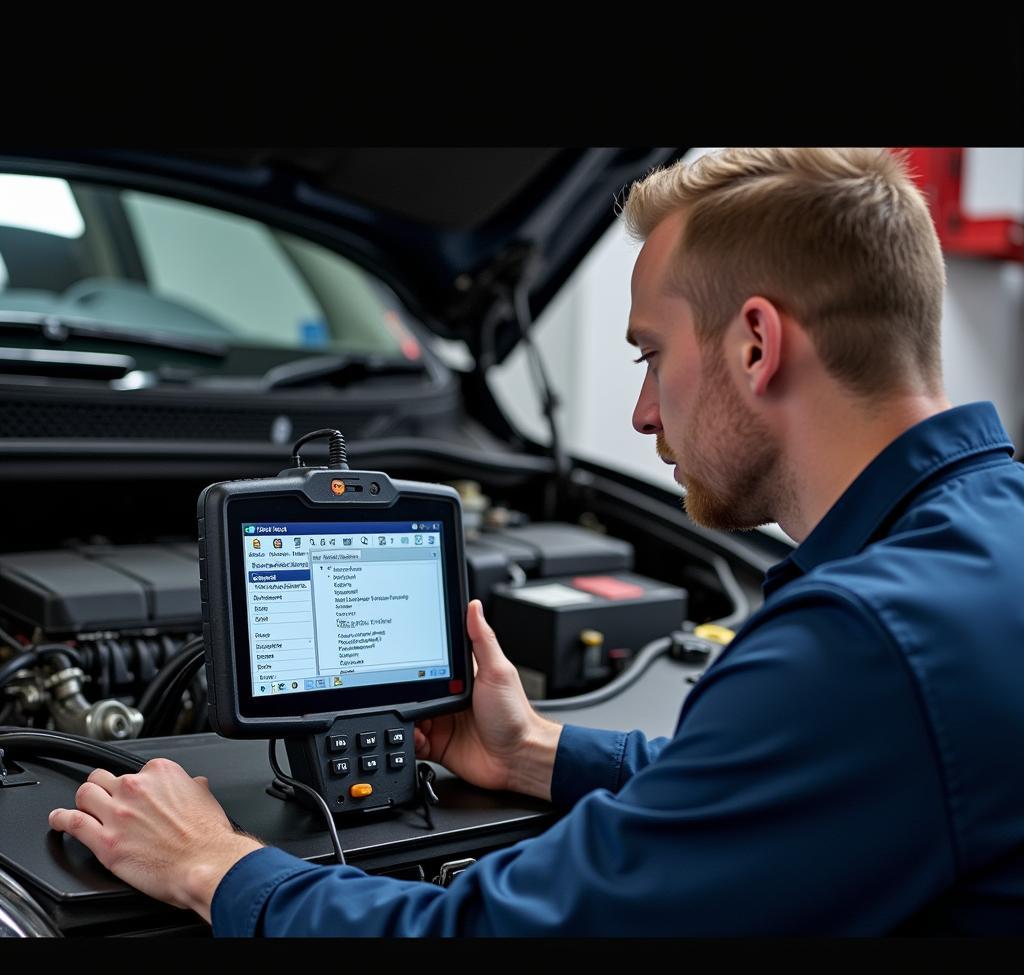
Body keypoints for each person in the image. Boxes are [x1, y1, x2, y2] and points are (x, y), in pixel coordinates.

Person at [49, 148, 1024, 935]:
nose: (643, 414)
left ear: (756, 343)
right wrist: (540, 754)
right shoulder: (983, 541)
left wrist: (215, 867)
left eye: (649, 354)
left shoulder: (864, 645)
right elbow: (775, 790)